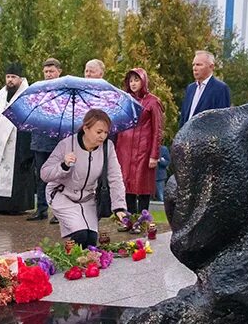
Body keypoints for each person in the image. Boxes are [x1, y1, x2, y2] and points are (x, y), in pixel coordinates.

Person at [41, 109, 127, 248]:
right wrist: (63, 165)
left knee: (91, 240)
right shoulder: (66, 144)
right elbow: (44, 174)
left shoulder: (108, 147)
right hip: (62, 195)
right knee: (80, 235)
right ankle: (71, 266)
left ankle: (84, 266)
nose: (103, 137)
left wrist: (119, 208)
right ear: (86, 128)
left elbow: (115, 177)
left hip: (88, 198)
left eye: (106, 132)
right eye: (99, 132)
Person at [116, 68, 163, 220]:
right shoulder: (124, 100)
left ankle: (142, 220)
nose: (133, 83)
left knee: (143, 187)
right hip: (125, 150)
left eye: (136, 80)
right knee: (127, 185)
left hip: (143, 150)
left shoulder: (153, 101)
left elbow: (158, 129)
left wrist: (154, 155)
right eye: (130, 80)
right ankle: (129, 219)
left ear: (143, 81)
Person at [0, 63, 34, 214]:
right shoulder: (0, 96)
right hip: (2, 141)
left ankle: (17, 206)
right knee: (1, 171)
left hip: (19, 140)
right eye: (8, 77)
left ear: (20, 79)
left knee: (17, 173)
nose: (10, 80)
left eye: (13, 77)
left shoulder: (27, 95)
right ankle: (0, 204)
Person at [28, 57, 63, 224]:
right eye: (46, 71)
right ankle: (41, 208)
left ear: (59, 72)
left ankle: (58, 211)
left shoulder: (64, 91)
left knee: (58, 177)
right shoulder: (38, 91)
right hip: (39, 140)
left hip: (57, 141)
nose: (49, 74)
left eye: (52, 71)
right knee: (41, 177)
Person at [178, 50, 231, 128]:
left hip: (206, 138)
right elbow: (183, 117)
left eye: (199, 65)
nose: (194, 68)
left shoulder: (220, 89)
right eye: (193, 65)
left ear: (211, 67)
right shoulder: (190, 88)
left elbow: (222, 122)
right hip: (186, 138)